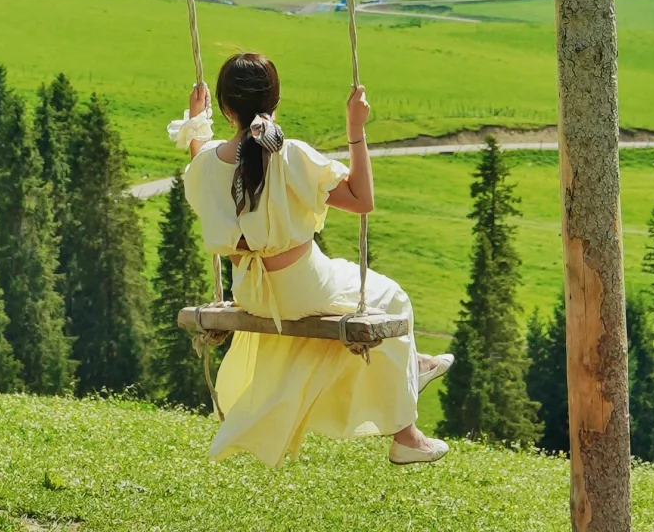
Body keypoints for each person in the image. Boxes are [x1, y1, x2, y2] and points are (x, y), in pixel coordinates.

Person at [173, 50, 452, 467]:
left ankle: (414, 365)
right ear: (275, 102)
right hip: (301, 290)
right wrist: (355, 131)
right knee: (393, 298)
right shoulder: (290, 155)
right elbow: (362, 200)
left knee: (364, 293)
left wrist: (198, 121)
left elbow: (204, 157)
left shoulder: (205, 165)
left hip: (251, 293)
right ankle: (407, 436)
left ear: (227, 107)